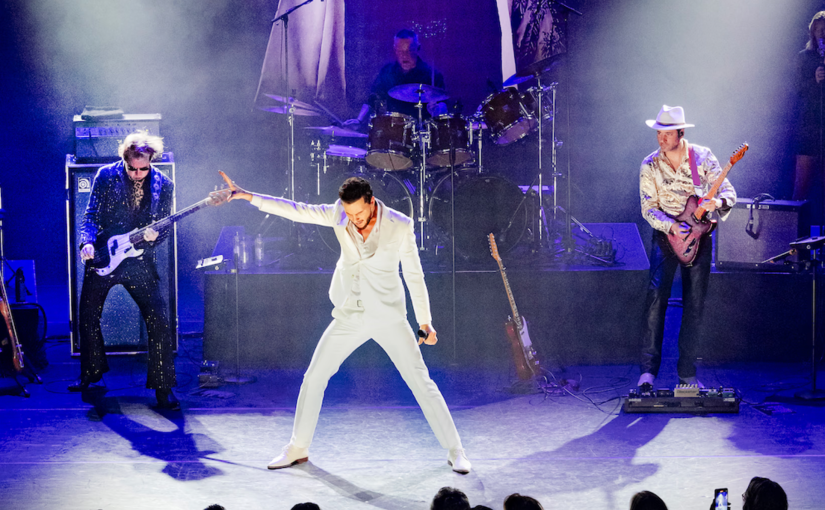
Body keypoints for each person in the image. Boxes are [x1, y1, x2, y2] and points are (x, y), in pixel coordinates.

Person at [218, 172, 472, 474]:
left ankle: (456, 450)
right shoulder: (340, 214)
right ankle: (298, 447)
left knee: (420, 381)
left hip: (388, 316)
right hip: (349, 313)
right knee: (314, 377)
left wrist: (425, 321)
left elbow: (414, 275)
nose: (355, 219)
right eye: (349, 214)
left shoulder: (400, 225)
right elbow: (298, 210)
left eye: (360, 213)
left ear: (372, 201)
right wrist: (248, 196)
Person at [68, 131, 179, 410]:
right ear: (124, 159)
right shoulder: (106, 175)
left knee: (160, 321)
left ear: (151, 160)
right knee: (87, 316)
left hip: (139, 261)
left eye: (144, 168)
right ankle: (91, 374)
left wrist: (157, 237)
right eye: (132, 167)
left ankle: (163, 387)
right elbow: (91, 214)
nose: (138, 173)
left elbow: (165, 226)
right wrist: (87, 243)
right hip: (106, 252)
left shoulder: (164, 185)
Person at [637, 105, 736, 389]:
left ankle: (687, 373)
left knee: (695, 305)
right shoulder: (649, 164)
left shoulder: (702, 157)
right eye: (658, 132)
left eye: (666, 133)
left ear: (681, 132)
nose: (660, 138)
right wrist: (670, 226)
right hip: (665, 236)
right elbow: (647, 208)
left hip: (699, 238)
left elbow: (728, 191)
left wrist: (716, 202)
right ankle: (647, 371)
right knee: (656, 300)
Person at [345, 29, 446, 126]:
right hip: (393, 131)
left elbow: (443, 106)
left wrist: (437, 111)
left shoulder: (432, 75)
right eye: (400, 51)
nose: (404, 55)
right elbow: (372, 99)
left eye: (409, 50)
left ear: (417, 48)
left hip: (423, 134)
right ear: (395, 49)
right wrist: (359, 120)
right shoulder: (387, 72)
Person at [792, 11, 825, 201]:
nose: (822, 34)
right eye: (818, 30)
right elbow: (797, 90)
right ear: (812, 32)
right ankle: (794, 228)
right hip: (810, 125)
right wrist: (814, 79)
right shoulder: (804, 57)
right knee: (802, 183)